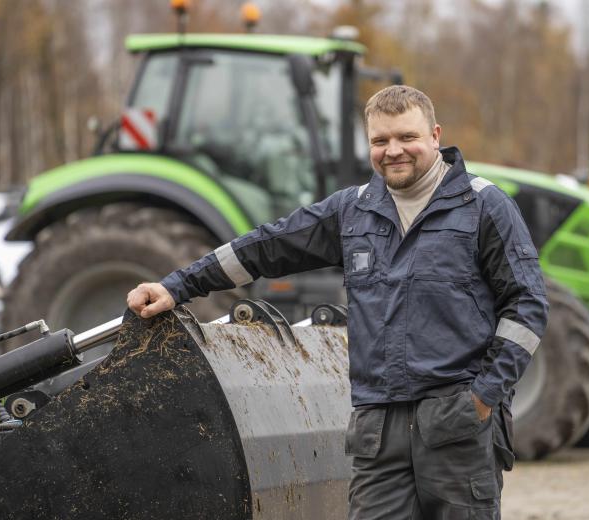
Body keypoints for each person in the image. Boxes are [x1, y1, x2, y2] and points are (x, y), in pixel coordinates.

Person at [127, 85, 549, 519]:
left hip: (456, 427)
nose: (393, 151)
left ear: (435, 136)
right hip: (377, 432)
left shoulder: (483, 207)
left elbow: (528, 307)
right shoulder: (355, 211)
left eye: (407, 137)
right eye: (380, 141)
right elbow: (266, 247)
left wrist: (483, 397)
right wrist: (178, 286)